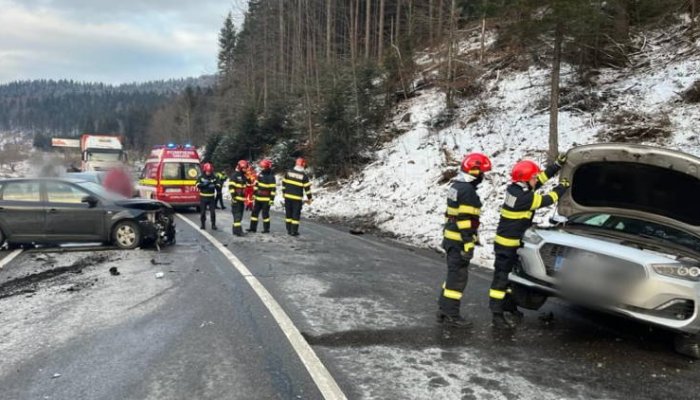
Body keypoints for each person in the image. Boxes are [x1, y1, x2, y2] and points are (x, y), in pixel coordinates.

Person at [489, 154, 570, 328]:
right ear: (525, 180)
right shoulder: (524, 198)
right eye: (532, 177)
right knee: (501, 279)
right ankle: (496, 314)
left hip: (510, 242)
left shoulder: (517, 189)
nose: (535, 179)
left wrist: (556, 166)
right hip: (506, 245)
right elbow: (549, 199)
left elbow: (539, 179)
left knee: (510, 278)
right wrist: (562, 187)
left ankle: (508, 305)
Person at [437, 153, 492, 328]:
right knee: (458, 278)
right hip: (459, 240)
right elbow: (465, 220)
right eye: (482, 172)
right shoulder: (467, 191)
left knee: (453, 275)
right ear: (474, 172)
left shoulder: (456, 186)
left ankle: (444, 308)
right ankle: (451, 314)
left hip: (451, 237)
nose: (483, 176)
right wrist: (468, 243)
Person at [282, 157, 312, 236]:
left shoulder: (288, 172)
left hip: (287, 197)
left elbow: (284, 184)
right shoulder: (304, 176)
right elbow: (307, 189)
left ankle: (288, 230)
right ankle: (294, 231)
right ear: (303, 165)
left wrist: (284, 193)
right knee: (295, 215)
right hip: (297, 199)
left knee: (288, 214)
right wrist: (310, 198)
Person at [248, 159, 277, 233]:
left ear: (267, 167)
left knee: (265, 215)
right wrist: (254, 194)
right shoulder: (261, 174)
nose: (261, 168)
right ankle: (252, 228)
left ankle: (266, 229)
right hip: (258, 198)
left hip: (266, 200)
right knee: (254, 213)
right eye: (261, 167)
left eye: (263, 167)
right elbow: (257, 185)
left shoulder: (271, 177)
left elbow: (273, 189)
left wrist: (271, 200)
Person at [228, 160, 250, 236]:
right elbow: (231, 186)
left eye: (246, 168)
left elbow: (248, 185)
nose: (246, 169)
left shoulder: (243, 176)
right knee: (237, 216)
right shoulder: (235, 175)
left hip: (241, 200)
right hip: (236, 199)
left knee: (239, 216)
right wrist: (233, 196)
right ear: (241, 167)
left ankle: (235, 230)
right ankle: (239, 232)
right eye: (244, 168)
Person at [196, 162, 218, 230]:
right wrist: (204, 185)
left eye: (210, 171)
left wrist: (214, 186)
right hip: (203, 197)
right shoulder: (201, 177)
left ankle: (213, 225)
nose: (208, 172)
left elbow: (218, 184)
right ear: (205, 170)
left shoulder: (214, 177)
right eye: (207, 171)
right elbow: (197, 185)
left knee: (213, 213)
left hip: (211, 198)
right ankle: (203, 225)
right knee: (202, 212)